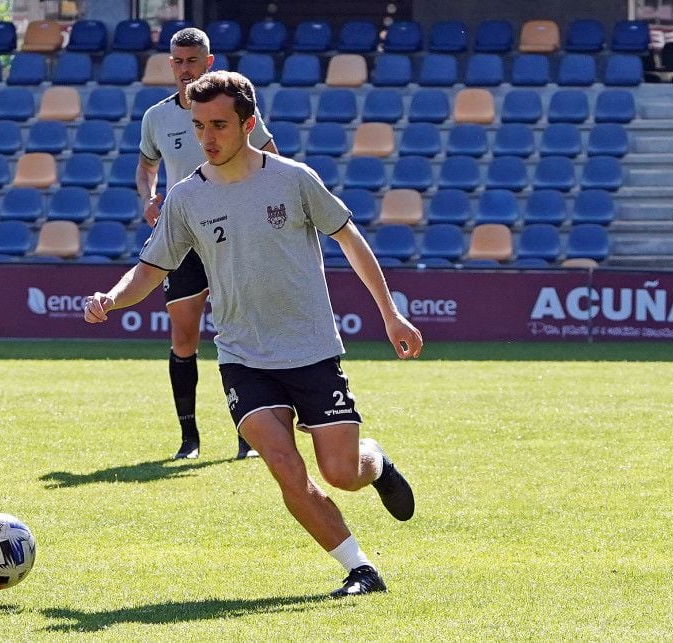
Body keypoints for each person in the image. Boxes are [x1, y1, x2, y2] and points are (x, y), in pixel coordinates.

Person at [86, 71, 424, 598]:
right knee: (286, 468)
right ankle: (360, 570)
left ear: (248, 124)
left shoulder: (293, 179)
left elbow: (351, 241)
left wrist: (391, 314)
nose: (207, 138)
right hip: (244, 357)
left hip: (312, 351)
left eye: (219, 125)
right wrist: (112, 296)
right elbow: (149, 271)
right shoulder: (185, 198)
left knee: (340, 472)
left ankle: (374, 462)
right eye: (199, 126)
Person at [137, 27, 280, 462]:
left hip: (235, 235)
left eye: (192, 62)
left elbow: (272, 157)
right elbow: (146, 166)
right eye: (177, 62)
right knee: (184, 337)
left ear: (208, 63)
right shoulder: (156, 117)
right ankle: (189, 438)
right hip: (182, 237)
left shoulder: (229, 109)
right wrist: (148, 198)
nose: (184, 69)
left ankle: (248, 434)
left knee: (239, 332)